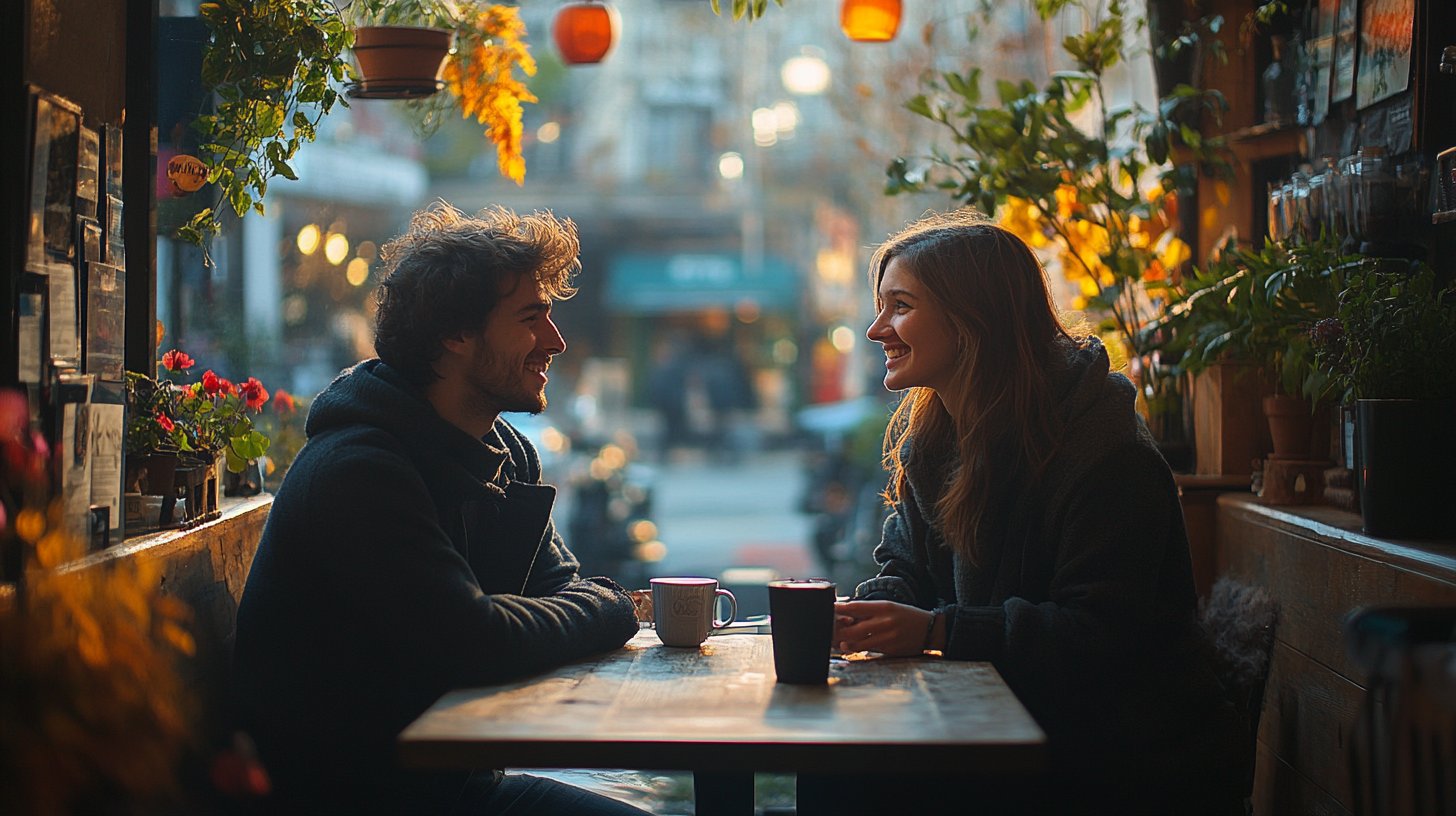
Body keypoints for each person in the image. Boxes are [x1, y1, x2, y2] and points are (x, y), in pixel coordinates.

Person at [803, 210, 1245, 815]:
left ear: (973, 322)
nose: (877, 329)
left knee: (846, 784)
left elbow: (1101, 637)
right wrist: (870, 615)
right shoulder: (934, 445)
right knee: (832, 773)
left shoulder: (1106, 456)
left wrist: (935, 629)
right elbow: (906, 567)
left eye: (899, 306)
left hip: (1113, 763)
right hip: (999, 730)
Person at [232, 203, 650, 815]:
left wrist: (587, 606)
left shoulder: (505, 453)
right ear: (455, 334)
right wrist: (614, 607)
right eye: (532, 317)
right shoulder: (360, 471)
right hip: (357, 799)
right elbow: (475, 639)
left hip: (452, 784)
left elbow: (560, 589)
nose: (555, 341)